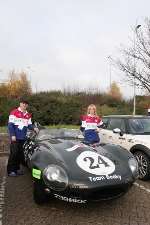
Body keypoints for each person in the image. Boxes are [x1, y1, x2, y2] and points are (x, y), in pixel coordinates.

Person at [7, 98, 39, 177]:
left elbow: (29, 125)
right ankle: (11, 170)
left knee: (20, 154)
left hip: (23, 138)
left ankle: (17, 169)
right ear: (20, 104)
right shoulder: (14, 112)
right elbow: (10, 125)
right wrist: (12, 135)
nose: (24, 105)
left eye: (26, 104)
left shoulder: (28, 115)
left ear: (27, 105)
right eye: (23, 103)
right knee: (14, 154)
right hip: (15, 137)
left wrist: (34, 128)